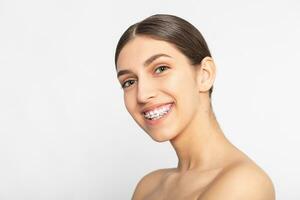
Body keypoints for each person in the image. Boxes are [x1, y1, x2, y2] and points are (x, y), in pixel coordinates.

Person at [114, 14, 275, 200]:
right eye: (129, 82)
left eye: (161, 69)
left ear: (205, 74)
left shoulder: (245, 184)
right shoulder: (148, 186)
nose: (142, 95)